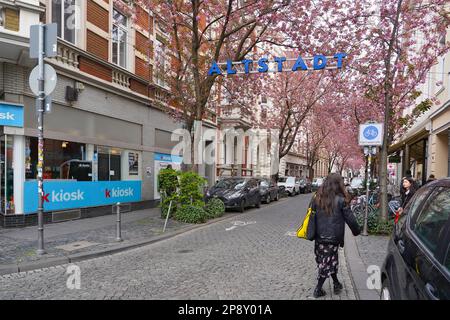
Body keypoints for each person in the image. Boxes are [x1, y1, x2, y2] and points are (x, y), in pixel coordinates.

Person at [310, 173, 361, 298]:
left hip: (319, 237)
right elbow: (351, 219)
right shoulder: (341, 200)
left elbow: (311, 215)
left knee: (327, 260)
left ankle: (337, 283)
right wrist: (356, 231)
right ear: (338, 185)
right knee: (327, 261)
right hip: (333, 238)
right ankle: (318, 289)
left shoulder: (317, 197)